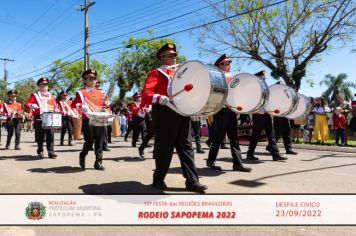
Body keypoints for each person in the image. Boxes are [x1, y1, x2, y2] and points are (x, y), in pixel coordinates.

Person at [141, 43, 207, 192]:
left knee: (186, 147)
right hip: (164, 112)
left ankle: (192, 181)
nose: (173, 57)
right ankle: (158, 180)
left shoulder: (182, 72)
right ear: (162, 57)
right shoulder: (156, 73)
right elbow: (146, 93)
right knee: (165, 147)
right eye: (169, 55)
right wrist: (158, 97)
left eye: (174, 55)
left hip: (182, 111)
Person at [206, 54, 251, 172]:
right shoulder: (216, 76)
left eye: (229, 63)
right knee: (218, 137)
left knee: (234, 137)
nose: (228, 65)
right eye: (226, 63)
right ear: (219, 65)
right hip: (221, 110)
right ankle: (211, 161)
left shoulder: (232, 76)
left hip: (231, 110)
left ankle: (237, 164)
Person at [71, 69, 110, 170]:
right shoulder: (81, 92)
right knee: (89, 141)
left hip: (100, 118)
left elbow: (104, 105)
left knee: (99, 141)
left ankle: (98, 162)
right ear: (85, 80)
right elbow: (73, 104)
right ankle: (82, 155)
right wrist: (81, 106)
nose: (93, 80)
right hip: (87, 119)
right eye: (90, 78)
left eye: (94, 78)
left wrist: (106, 108)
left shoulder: (101, 93)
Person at [246, 71, 287, 161]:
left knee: (271, 135)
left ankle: (275, 155)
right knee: (255, 136)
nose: (264, 80)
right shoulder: (253, 90)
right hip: (258, 115)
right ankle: (250, 153)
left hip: (267, 115)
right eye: (262, 78)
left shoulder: (266, 89)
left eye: (264, 79)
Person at [24, 77, 59, 158]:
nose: (44, 86)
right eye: (42, 84)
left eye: (46, 84)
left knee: (50, 135)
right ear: (39, 86)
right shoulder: (35, 95)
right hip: (39, 117)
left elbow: (56, 106)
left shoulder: (52, 96)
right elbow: (27, 104)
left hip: (50, 118)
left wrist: (57, 110)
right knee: (40, 135)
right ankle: (40, 150)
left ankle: (51, 151)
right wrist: (32, 106)